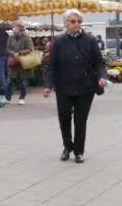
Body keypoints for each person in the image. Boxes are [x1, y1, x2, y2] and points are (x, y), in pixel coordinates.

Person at [43, 9, 106, 164]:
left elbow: (99, 63)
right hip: (64, 87)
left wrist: (102, 77)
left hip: (86, 87)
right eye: (72, 21)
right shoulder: (58, 42)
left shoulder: (90, 40)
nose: (76, 24)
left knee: (80, 120)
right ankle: (67, 147)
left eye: (79, 21)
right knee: (64, 118)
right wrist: (48, 86)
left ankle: (78, 151)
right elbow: (51, 66)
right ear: (65, 24)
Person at [7, 21, 34, 105]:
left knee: (23, 81)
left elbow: (30, 49)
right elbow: (7, 48)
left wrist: (19, 53)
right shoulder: (10, 37)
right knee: (10, 80)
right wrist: (12, 53)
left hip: (23, 62)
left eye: (14, 26)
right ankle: (8, 98)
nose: (13, 28)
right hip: (13, 62)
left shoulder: (26, 37)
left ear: (20, 28)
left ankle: (22, 97)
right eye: (13, 27)